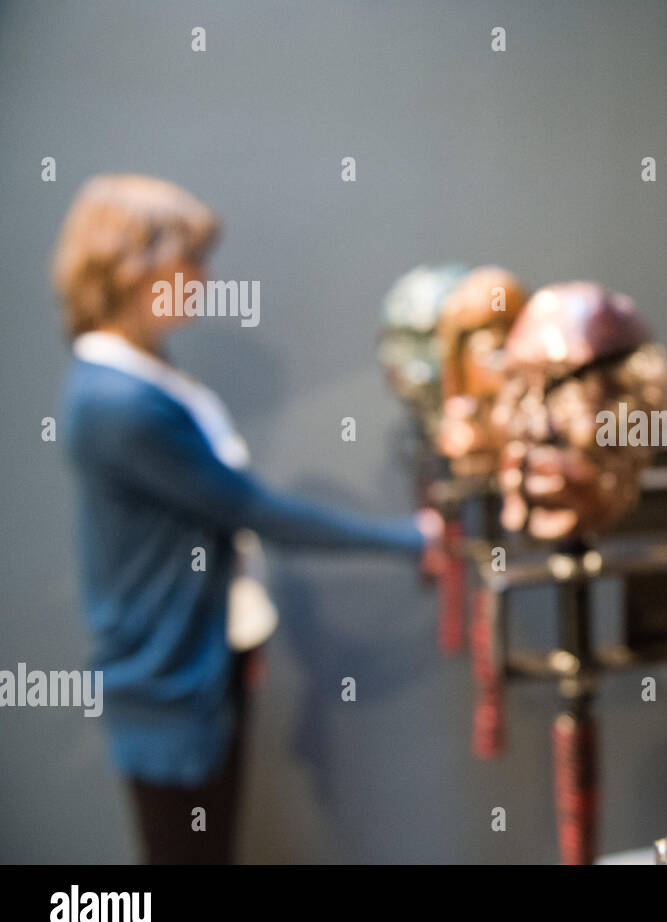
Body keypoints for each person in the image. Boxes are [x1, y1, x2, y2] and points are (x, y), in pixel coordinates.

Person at [52, 174, 443, 864]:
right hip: (168, 676)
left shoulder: (145, 373)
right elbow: (249, 508)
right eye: (191, 261)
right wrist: (408, 538)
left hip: (194, 662)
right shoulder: (118, 400)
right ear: (135, 267)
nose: (204, 279)